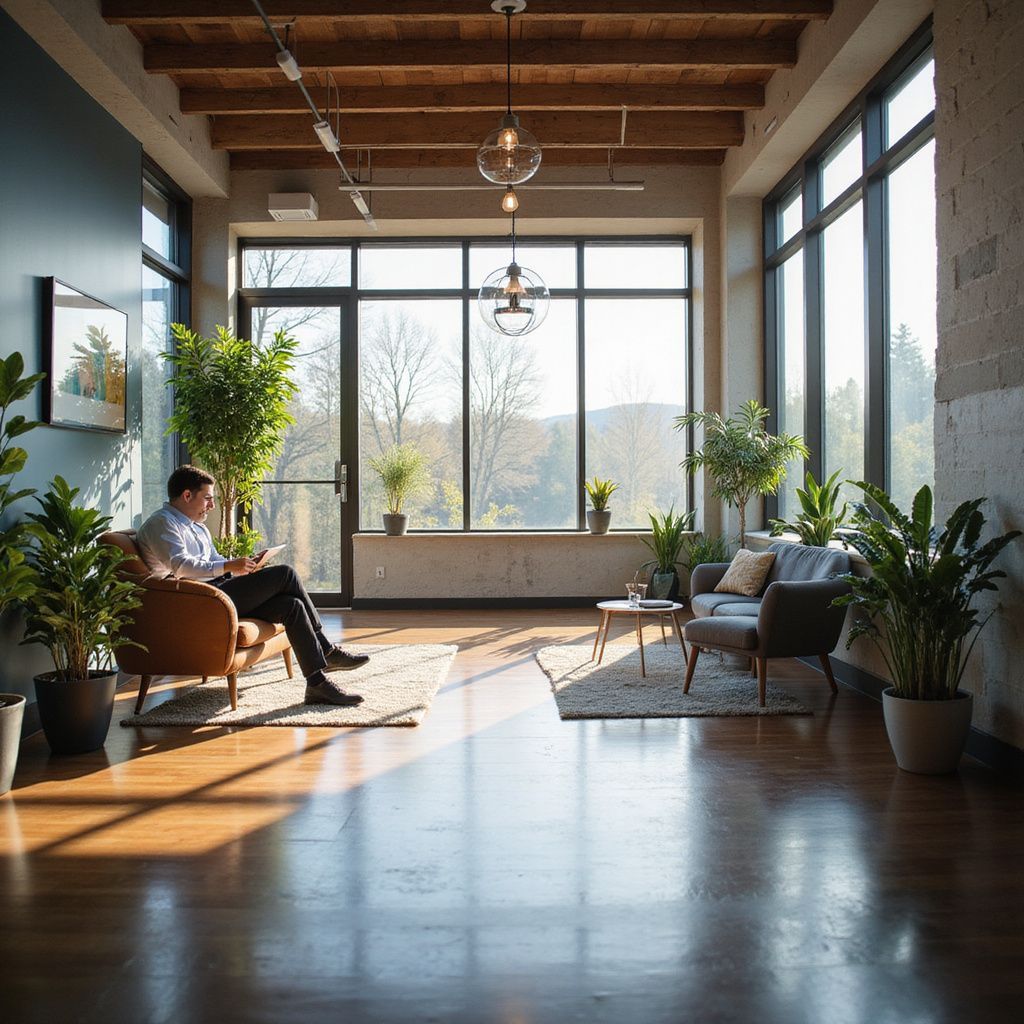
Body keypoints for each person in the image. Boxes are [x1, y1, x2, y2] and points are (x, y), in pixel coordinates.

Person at [136, 465, 367, 707]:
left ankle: (317, 684)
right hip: (201, 603)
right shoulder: (162, 523)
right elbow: (181, 566)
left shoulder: (196, 527)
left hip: (219, 592)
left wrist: (243, 566)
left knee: (292, 606)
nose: (211, 506)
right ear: (186, 495)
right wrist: (228, 566)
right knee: (286, 574)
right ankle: (327, 650)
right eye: (207, 499)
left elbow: (213, 560)